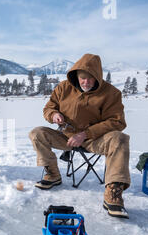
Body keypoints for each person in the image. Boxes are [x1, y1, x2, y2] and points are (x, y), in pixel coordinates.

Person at [28, 53, 130, 218]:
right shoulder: (63, 87)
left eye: (91, 78)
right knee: (37, 133)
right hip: (66, 136)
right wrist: (53, 115)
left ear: (98, 77)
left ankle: (113, 192)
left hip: (94, 140)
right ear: (76, 75)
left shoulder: (111, 93)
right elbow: (48, 108)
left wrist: (85, 134)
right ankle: (53, 174)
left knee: (120, 138)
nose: (86, 82)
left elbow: (117, 122)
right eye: (83, 78)